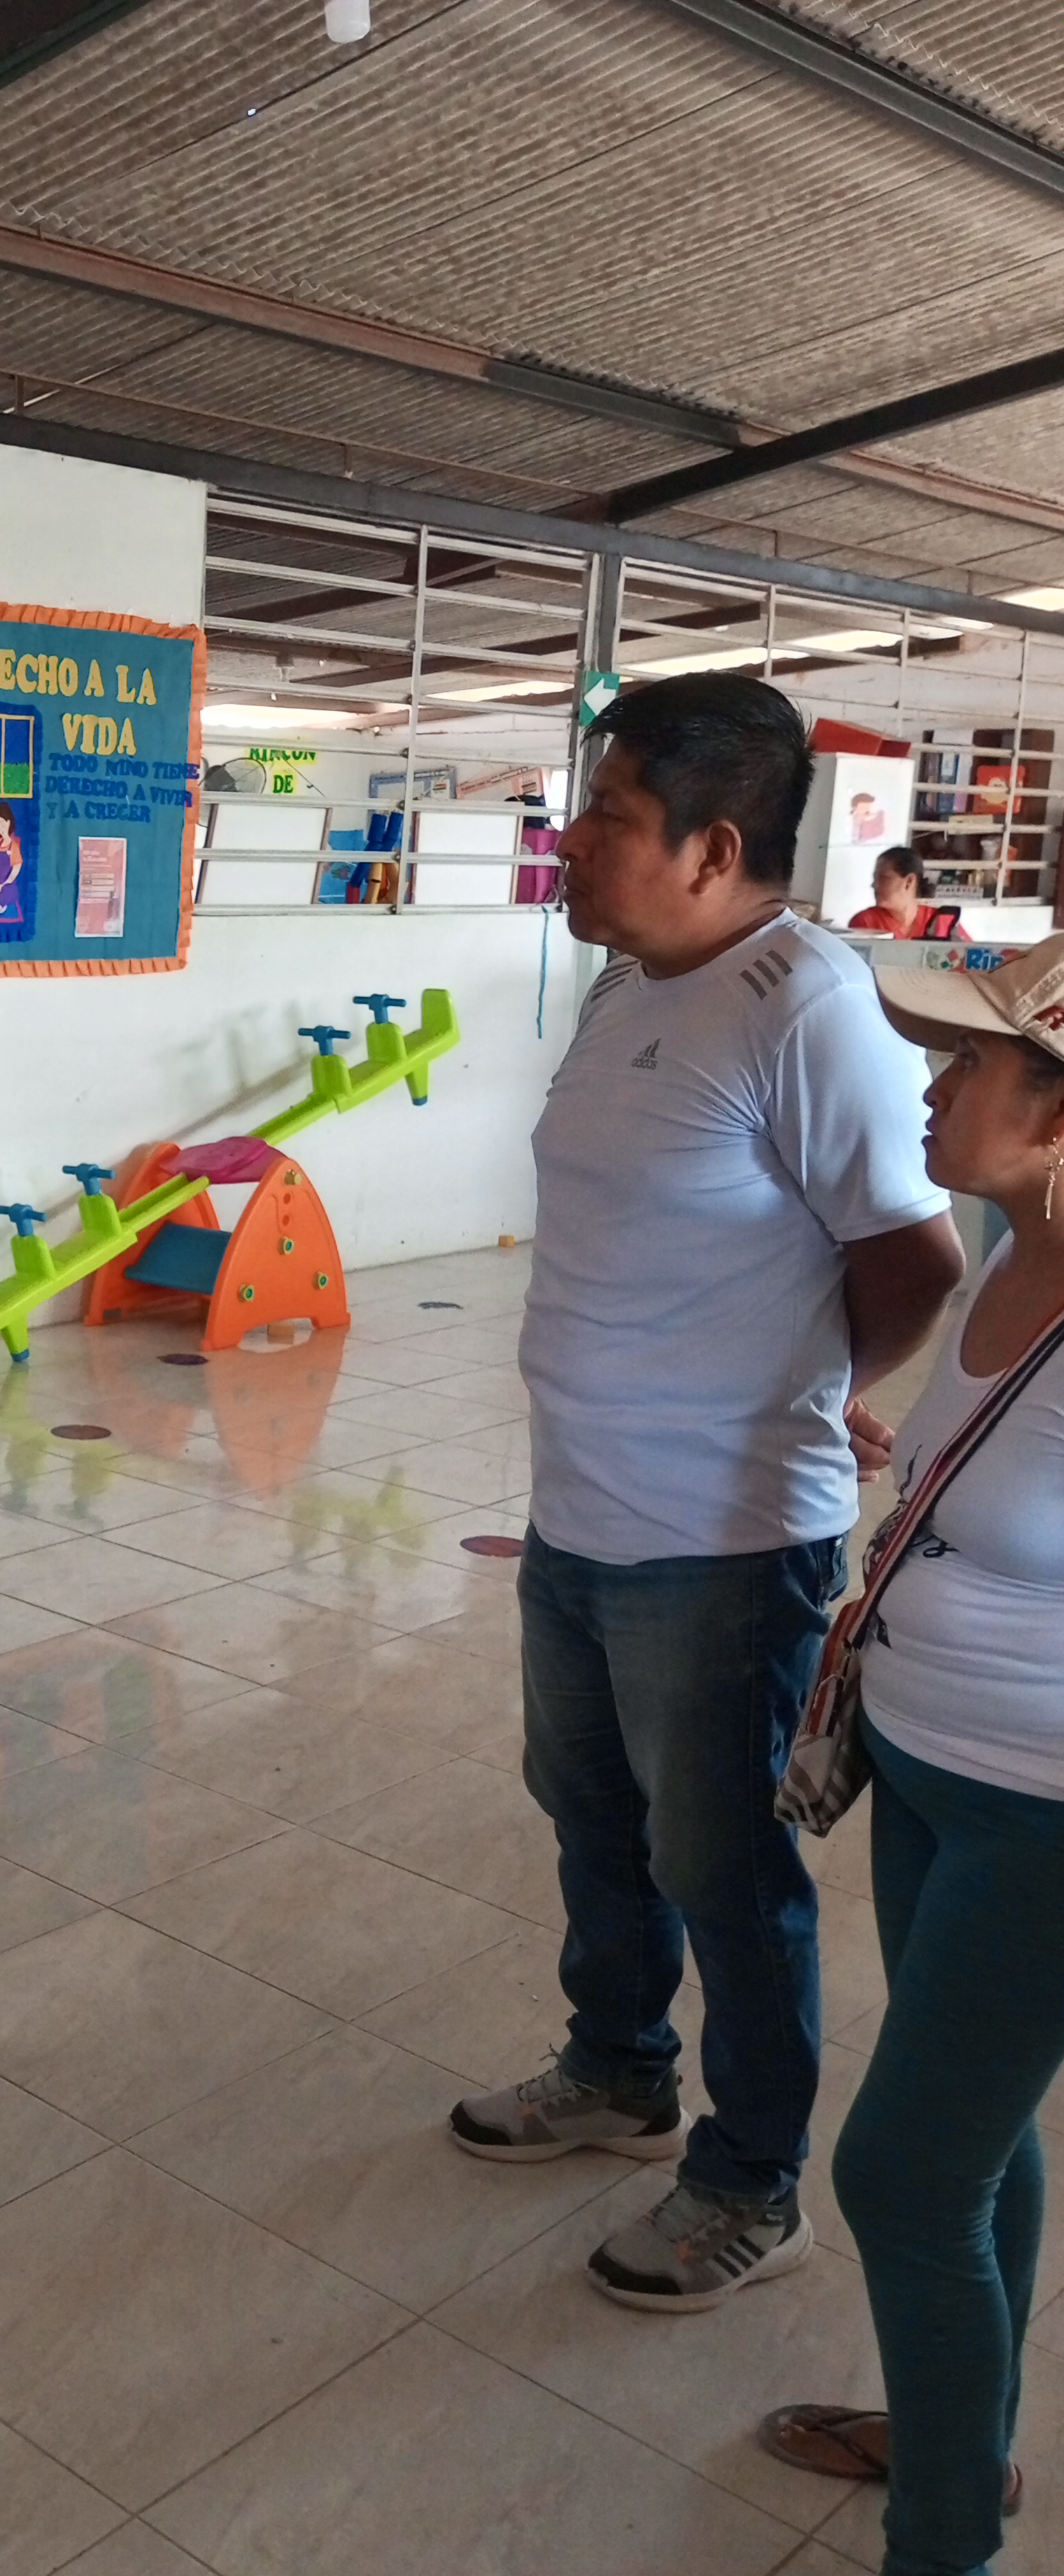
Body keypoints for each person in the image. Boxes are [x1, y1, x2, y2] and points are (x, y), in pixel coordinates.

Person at [450, 673, 965, 2307]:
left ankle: (751, 2180)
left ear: (713, 847)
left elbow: (914, 1256)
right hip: (580, 1511)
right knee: (592, 1812)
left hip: (724, 1540)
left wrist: (809, 1388)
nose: (571, 841)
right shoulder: (627, 986)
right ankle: (617, 2068)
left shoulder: (806, 1005)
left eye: (607, 817)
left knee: (722, 1863)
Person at [762, 938, 1064, 2576]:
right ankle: (972, 2431)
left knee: (898, 2172)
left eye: (970, 1068)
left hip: (1047, 1811)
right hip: (929, 1763)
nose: (932, 1090)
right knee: (982, 2134)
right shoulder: (1009, 1257)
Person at [850, 844, 966, 945]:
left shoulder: (943, 920)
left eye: (884, 878)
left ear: (909, 882)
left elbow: (967, 957)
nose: (874, 885)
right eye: (875, 878)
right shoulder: (865, 923)